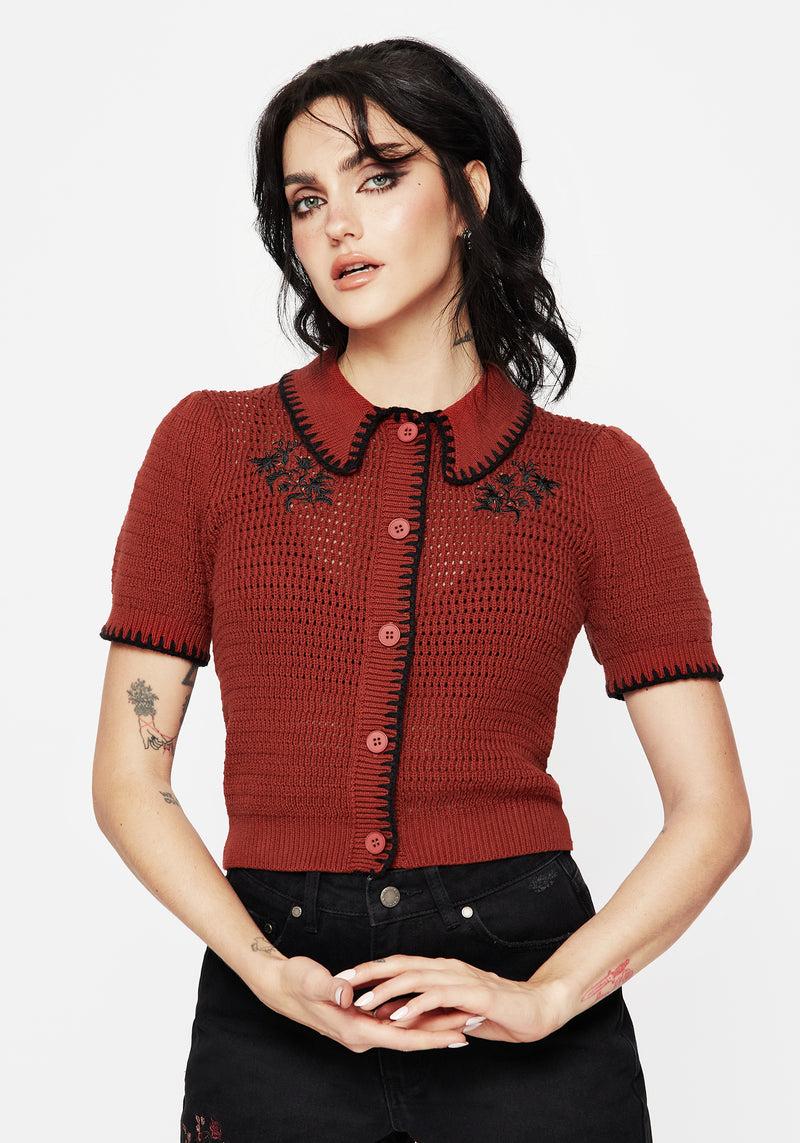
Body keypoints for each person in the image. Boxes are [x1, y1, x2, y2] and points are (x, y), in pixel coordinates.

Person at [92, 38, 751, 1143]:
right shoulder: (209, 448)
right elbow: (129, 778)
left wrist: (549, 995)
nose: (336, 225)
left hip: (521, 963)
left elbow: (712, 809)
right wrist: (260, 966)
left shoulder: (597, 476)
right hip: (275, 984)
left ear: (468, 196)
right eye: (307, 200)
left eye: (379, 176)